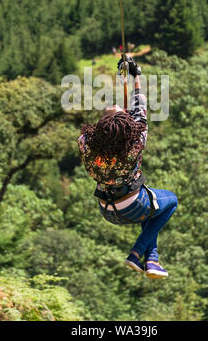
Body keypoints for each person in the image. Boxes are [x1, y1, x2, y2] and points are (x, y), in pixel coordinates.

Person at [78, 55, 178, 279]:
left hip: (107, 209)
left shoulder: (87, 146)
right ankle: (136, 254)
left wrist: (112, 114)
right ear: (126, 128)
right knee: (170, 201)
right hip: (134, 205)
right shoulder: (135, 142)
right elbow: (139, 104)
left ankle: (152, 260)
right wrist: (135, 77)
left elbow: (97, 130)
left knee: (152, 209)